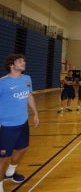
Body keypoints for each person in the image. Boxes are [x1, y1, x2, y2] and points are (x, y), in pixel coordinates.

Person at [0, 54, 39, 192]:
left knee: (22, 148)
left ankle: (10, 173)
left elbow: (29, 95)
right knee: (3, 157)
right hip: (7, 126)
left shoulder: (27, 79)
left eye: (24, 60)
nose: (24, 62)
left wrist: (35, 113)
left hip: (23, 123)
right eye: (20, 61)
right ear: (12, 65)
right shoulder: (3, 82)